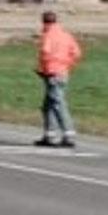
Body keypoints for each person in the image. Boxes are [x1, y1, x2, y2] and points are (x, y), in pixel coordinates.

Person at [36, 10, 83, 148]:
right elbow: (77, 53)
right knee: (48, 105)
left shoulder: (48, 35)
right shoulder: (66, 35)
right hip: (63, 72)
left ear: (44, 22)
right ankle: (49, 135)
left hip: (52, 73)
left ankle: (68, 134)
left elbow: (45, 52)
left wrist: (43, 69)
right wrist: (67, 65)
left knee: (58, 103)